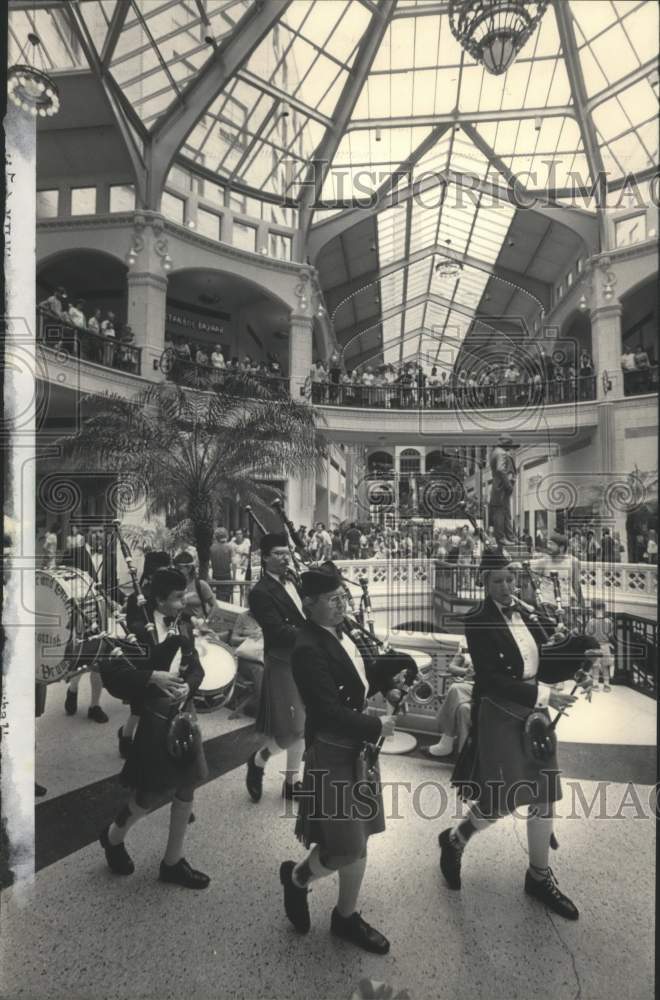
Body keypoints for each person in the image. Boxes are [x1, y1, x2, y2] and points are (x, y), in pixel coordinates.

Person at [440, 551, 595, 920]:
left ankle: (538, 877)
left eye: (511, 579)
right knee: (502, 798)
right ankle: (455, 840)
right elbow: (491, 678)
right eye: (498, 582)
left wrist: (579, 668)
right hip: (501, 712)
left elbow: (547, 657)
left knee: (544, 792)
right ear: (483, 583)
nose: (507, 587)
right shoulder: (476, 620)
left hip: (534, 710)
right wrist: (544, 695)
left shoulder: (525, 612)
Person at [279, 567, 403, 953]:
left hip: (356, 751)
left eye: (342, 598)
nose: (341, 605)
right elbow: (328, 711)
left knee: (358, 838)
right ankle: (298, 879)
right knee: (346, 845)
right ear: (309, 604)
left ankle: (345, 916)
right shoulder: (306, 648)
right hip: (333, 749)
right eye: (332, 600)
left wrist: (390, 678)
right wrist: (375, 724)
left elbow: (356, 678)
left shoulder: (340, 631)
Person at [98, 568, 209, 889]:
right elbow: (113, 676)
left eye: (185, 594)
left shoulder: (184, 623)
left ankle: (173, 862)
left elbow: (196, 668)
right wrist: (151, 677)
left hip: (183, 714)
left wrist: (189, 686)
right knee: (149, 794)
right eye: (177, 597)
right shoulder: (133, 628)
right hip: (155, 718)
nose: (184, 601)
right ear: (159, 599)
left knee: (187, 786)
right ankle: (112, 836)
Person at [245, 533, 306, 803]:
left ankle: (292, 782)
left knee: (305, 725)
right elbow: (278, 631)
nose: (284, 558)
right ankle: (258, 760)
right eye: (279, 553)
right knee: (293, 728)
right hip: (282, 662)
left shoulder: (293, 579)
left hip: (306, 659)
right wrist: (314, 633)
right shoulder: (259, 592)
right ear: (265, 557)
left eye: (287, 552)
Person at [119, 550, 172, 759]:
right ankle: (125, 736)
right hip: (143, 656)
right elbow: (132, 626)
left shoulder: (167, 596)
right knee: (139, 707)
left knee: (160, 702)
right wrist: (146, 627)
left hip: (164, 652)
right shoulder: (136, 597)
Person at [422, 645, 474, 759]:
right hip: (469, 688)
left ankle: (446, 742)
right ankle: (462, 756)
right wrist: (466, 671)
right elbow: (451, 667)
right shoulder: (466, 643)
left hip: (486, 689)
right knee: (463, 709)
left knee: (455, 688)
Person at [172, 550, 218, 623]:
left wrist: (206, 621)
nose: (176, 571)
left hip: (198, 628)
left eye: (179, 569)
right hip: (181, 628)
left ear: (189, 568)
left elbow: (214, 606)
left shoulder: (201, 585)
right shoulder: (174, 586)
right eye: (175, 568)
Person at [488, 435, 518, 545]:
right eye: (509, 446)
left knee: (504, 512)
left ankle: (510, 537)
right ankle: (501, 538)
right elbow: (500, 469)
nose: (510, 448)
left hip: (498, 487)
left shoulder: (495, 452)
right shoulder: (502, 453)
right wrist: (508, 485)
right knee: (500, 513)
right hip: (501, 488)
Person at [585, 600, 614, 692]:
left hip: (595, 646)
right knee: (605, 666)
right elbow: (610, 634)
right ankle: (606, 685)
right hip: (605, 646)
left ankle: (595, 685)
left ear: (594, 610)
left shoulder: (591, 622)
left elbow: (587, 634)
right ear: (604, 609)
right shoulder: (609, 621)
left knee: (595, 666)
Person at [210, 527, 234, 601]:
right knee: (226, 598)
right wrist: (234, 577)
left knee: (218, 597)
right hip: (226, 575)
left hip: (215, 575)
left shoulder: (211, 548)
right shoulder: (229, 547)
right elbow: (233, 563)